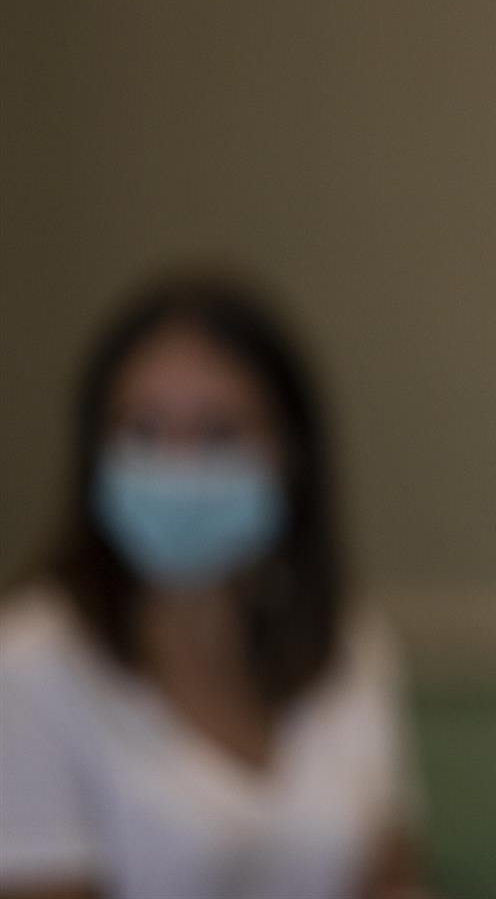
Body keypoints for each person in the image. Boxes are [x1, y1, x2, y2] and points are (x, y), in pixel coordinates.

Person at [0, 274, 425, 899]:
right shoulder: (29, 667)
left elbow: (389, 875)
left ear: (289, 455)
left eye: (218, 433)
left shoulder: (346, 640)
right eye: (143, 431)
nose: (177, 465)